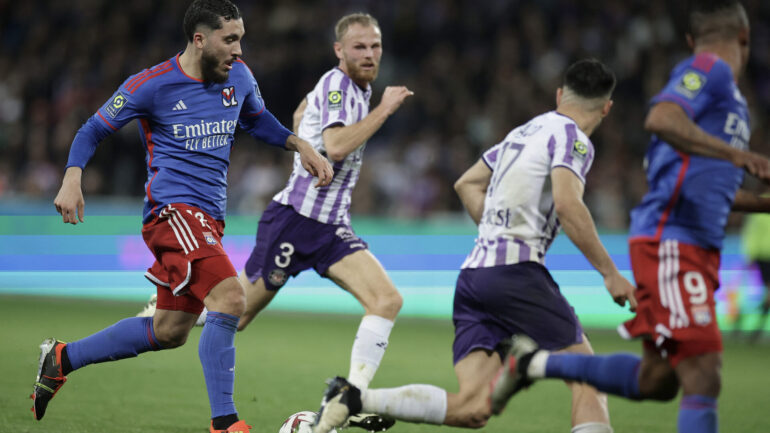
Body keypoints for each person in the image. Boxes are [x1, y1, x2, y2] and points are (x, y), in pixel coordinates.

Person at [32, 1, 333, 433]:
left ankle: (61, 359)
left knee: (170, 330)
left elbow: (255, 119)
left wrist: (298, 144)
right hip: (171, 213)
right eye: (230, 39)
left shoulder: (240, 78)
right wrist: (72, 176)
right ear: (200, 39)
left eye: (241, 38)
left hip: (209, 220)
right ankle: (225, 424)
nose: (238, 49)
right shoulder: (151, 85)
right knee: (231, 298)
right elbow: (92, 128)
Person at [311, 58, 636, 433]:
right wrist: (610, 273)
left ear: (560, 94)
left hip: (474, 277)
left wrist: (495, 231)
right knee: (589, 380)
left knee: (473, 408)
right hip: (517, 274)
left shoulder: (524, 132)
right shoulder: (574, 138)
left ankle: (352, 398)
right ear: (607, 108)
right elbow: (568, 203)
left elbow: (466, 183)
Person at [491, 2, 770, 433]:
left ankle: (533, 363)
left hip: (693, 241)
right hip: (674, 240)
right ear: (744, 39)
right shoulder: (708, 70)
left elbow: (712, 188)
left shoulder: (729, 103)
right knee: (703, 372)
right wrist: (740, 154)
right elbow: (661, 117)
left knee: (656, 380)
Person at [741, 212, 770, 342]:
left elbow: (751, 231)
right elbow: (752, 232)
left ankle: (755, 325)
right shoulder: (760, 204)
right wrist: (751, 253)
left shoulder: (759, 203)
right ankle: (755, 325)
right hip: (764, 256)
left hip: (762, 254)